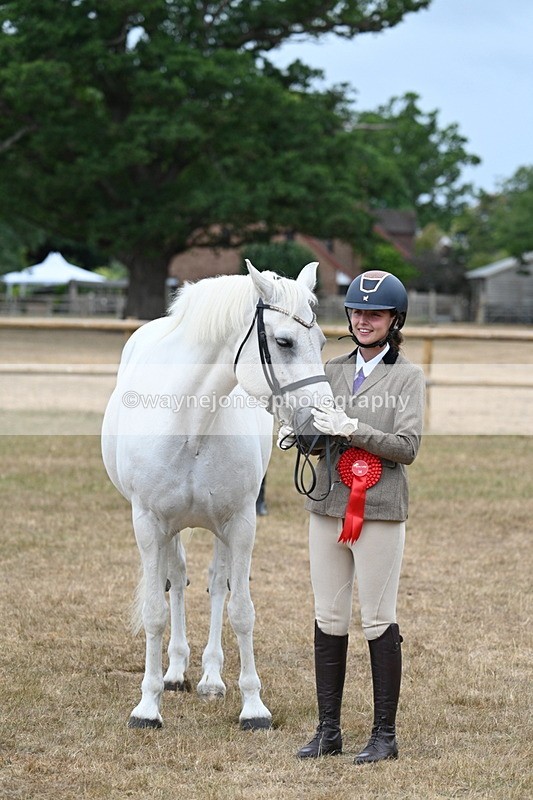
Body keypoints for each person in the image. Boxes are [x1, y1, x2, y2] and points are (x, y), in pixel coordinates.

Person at [280, 270, 425, 765]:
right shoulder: (331, 369)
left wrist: (354, 429)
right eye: (359, 313)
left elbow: (407, 448)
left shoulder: (407, 377)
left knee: (378, 617)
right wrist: (296, 427)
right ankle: (329, 731)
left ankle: (384, 734)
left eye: (376, 314)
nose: (364, 321)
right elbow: (315, 437)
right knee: (329, 616)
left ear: (393, 320)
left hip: (379, 508)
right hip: (326, 505)